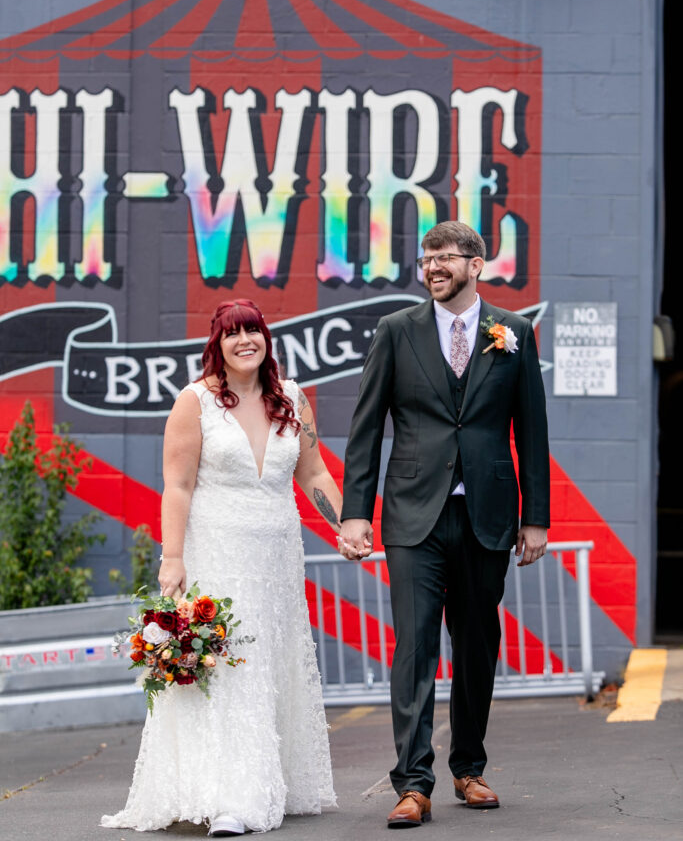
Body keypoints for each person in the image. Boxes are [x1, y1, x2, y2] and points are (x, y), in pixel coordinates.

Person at [102, 298, 355, 837]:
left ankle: (271, 782)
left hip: (279, 556)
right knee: (230, 667)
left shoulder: (293, 400)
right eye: (232, 334)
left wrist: (345, 524)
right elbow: (178, 485)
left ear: (266, 338)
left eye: (254, 331)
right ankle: (229, 798)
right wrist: (172, 559)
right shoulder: (195, 402)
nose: (245, 341)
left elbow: (313, 472)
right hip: (217, 552)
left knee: (273, 665)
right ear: (216, 344)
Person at [340, 220, 550, 829]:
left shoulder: (512, 333)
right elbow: (366, 426)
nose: (432, 267)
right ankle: (412, 782)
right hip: (413, 514)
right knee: (414, 647)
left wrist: (534, 519)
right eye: (425, 257)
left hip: (486, 513)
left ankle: (469, 769)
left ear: (476, 264)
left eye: (445, 258)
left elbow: (530, 432)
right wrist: (358, 512)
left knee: (479, 644)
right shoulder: (395, 332)